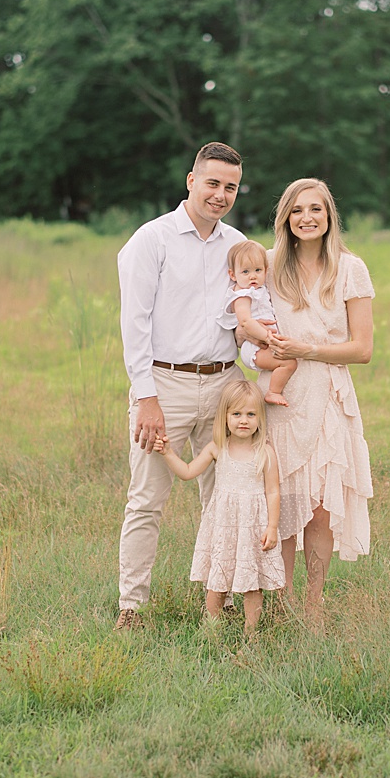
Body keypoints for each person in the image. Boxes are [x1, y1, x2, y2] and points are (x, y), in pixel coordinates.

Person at [115, 141, 247, 631]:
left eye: (230, 187)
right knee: (147, 498)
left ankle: (222, 599)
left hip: (224, 385)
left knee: (226, 496)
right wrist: (145, 397)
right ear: (190, 181)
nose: (220, 194)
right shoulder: (152, 240)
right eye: (212, 183)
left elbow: (244, 317)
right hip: (163, 386)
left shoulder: (237, 244)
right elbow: (135, 324)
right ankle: (132, 607)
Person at [258, 178, 374, 613]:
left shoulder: (350, 268)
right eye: (297, 210)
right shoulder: (267, 265)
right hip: (283, 396)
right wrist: (265, 353)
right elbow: (244, 329)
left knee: (322, 507)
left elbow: (362, 349)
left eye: (316, 210)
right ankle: (282, 601)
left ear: (329, 217)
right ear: (285, 218)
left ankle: (313, 602)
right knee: (285, 502)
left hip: (328, 395)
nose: (307, 218)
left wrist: (307, 350)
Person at [153, 378, 284, 635]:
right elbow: (188, 472)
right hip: (223, 525)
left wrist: (273, 526)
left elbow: (273, 491)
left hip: (252, 526)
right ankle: (210, 630)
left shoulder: (265, 452)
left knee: (251, 584)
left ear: (260, 418)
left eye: (250, 414)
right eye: (236, 414)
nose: (243, 420)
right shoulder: (217, 448)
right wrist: (168, 453)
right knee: (217, 579)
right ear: (224, 417)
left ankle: (251, 633)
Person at [220, 239, 297, 407]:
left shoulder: (258, 289)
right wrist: (269, 339)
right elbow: (246, 322)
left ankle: (274, 390)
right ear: (233, 275)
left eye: (257, 270)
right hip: (255, 347)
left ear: (266, 271)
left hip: (264, 342)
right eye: (245, 271)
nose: (252, 276)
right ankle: (273, 392)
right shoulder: (242, 294)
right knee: (289, 362)